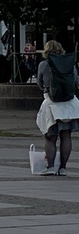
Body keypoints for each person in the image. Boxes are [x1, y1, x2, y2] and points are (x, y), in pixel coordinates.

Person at [36, 40, 79, 175]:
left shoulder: (44, 65)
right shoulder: (69, 65)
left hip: (51, 103)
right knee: (66, 136)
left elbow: (40, 83)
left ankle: (50, 167)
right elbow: (76, 82)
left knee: (50, 137)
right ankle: (63, 168)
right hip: (69, 104)